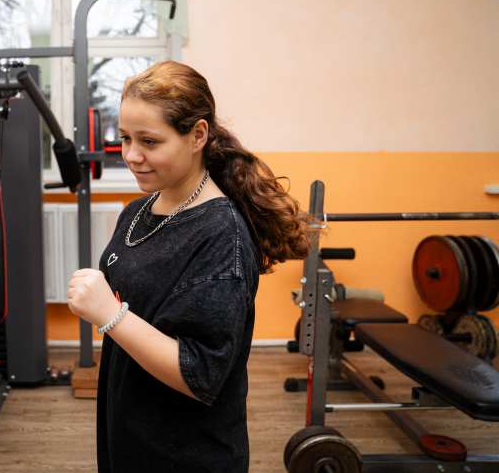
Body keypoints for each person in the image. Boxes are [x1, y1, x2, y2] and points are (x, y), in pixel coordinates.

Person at [67, 61, 316, 472]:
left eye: (149, 141)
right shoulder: (135, 212)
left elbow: (199, 372)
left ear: (198, 135)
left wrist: (110, 313)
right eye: (126, 138)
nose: (131, 155)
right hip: (129, 434)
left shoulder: (221, 234)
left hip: (185, 455)